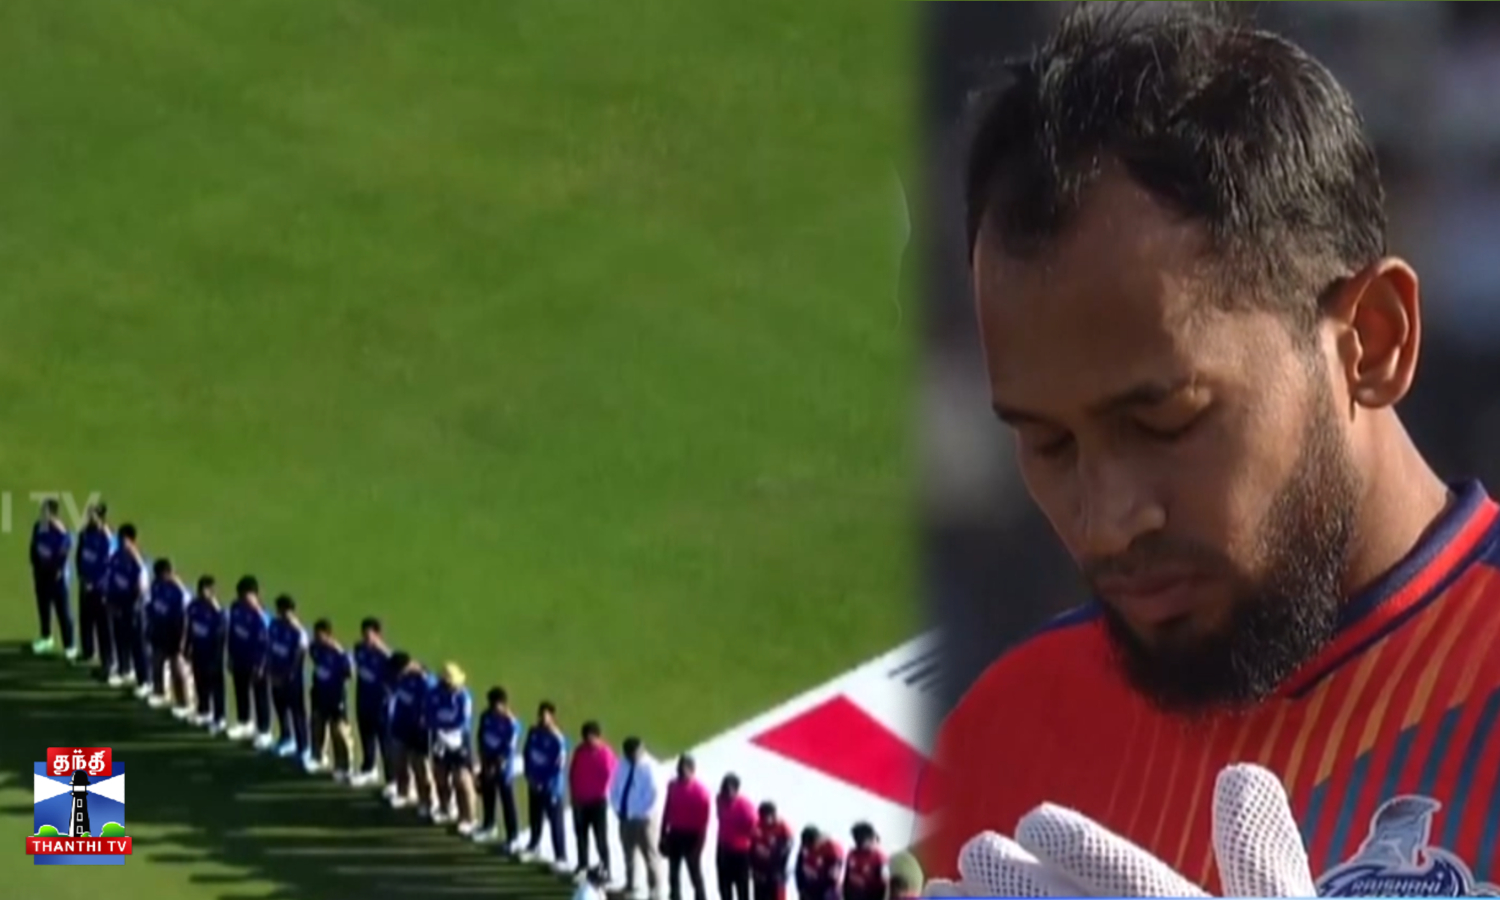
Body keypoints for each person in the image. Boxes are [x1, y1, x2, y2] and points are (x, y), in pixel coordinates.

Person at [927, 3, 1500, 895]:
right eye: (1049, 444)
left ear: (1372, 341)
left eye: (1167, 422)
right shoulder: (998, 742)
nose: (1109, 522)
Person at [426, 661, 477, 835]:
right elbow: (429, 715)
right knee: (439, 774)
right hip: (439, 739)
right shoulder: (434, 694)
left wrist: (445, 729)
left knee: (461, 779)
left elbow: (462, 721)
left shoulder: (464, 697)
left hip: (459, 741)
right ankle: (445, 807)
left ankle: (469, 817)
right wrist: (440, 730)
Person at [611, 735, 662, 900]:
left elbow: (654, 796)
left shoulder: (650, 767)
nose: (631, 758)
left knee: (650, 856)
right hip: (625, 817)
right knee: (629, 854)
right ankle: (631, 885)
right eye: (628, 755)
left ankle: (654, 891)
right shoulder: (622, 764)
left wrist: (639, 813)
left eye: (633, 754)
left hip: (644, 820)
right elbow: (615, 787)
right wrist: (617, 808)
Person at [226, 575, 273, 748]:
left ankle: (264, 731)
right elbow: (232, 632)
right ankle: (244, 722)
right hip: (239, 657)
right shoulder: (235, 607)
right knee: (240, 691)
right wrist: (230, 655)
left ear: (254, 595)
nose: (242, 599)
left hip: (257, 662)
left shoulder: (262, 615)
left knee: (260, 695)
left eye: (245, 596)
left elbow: (266, 643)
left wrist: (260, 666)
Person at [521, 700, 569, 871]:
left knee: (555, 821)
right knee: (535, 816)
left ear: (553, 717)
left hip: (551, 788)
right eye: (540, 715)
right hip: (534, 783)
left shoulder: (558, 739)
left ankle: (561, 856)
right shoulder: (533, 732)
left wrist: (544, 783)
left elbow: (558, 766)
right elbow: (527, 753)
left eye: (546, 716)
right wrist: (529, 775)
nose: (542, 718)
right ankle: (534, 845)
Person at [266, 594, 312, 768]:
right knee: (280, 708)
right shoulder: (274, 624)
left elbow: (298, 658)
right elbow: (270, 648)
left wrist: (286, 676)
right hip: (275, 674)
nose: (284, 614)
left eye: (286, 611)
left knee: (297, 713)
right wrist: (271, 672)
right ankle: (286, 738)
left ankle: (304, 747)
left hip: (292, 680)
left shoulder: (299, 632)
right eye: (281, 611)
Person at [387, 652, 436, 814]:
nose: (398, 675)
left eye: (400, 671)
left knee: (420, 767)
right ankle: (404, 792)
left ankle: (427, 801)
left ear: (408, 666)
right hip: (400, 725)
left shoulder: (426, 681)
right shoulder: (401, 676)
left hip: (418, 730)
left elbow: (429, 707)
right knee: (399, 761)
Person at [475, 686, 523, 849]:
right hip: (487, 760)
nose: (492, 708)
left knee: (507, 800)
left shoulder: (511, 723)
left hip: (503, 768)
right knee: (488, 795)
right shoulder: (486, 715)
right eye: (490, 704)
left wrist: (495, 765)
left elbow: (509, 748)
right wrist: (483, 759)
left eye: (495, 705)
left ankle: (513, 836)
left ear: (503, 704)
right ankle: (489, 826)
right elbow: (481, 736)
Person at [308, 618, 355, 781]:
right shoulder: (315, 648)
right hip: (319, 693)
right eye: (315, 634)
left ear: (328, 635)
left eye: (319, 635)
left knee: (339, 732)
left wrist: (340, 652)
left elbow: (349, 674)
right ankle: (318, 757)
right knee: (317, 726)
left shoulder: (339, 654)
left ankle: (344, 765)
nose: (316, 638)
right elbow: (314, 658)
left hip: (335, 697)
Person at [104, 523, 149, 691]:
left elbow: (142, 588)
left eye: (125, 540)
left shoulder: (138, 562)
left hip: (134, 608)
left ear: (132, 541)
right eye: (120, 539)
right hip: (118, 604)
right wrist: (110, 600)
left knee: (138, 644)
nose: (122, 543)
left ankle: (144, 681)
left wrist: (134, 603)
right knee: (120, 639)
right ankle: (125, 670)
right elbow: (111, 578)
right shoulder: (116, 557)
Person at [146, 557, 193, 716]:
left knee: (177, 669)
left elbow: (185, 618)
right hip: (159, 630)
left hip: (174, 634)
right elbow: (152, 606)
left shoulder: (179, 592)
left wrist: (182, 640)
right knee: (156, 662)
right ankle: (159, 693)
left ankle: (184, 702)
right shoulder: (156, 585)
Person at [569, 720, 616, 879]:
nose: (587, 742)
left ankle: (606, 867)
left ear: (598, 736)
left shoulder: (606, 754)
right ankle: (583, 864)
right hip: (580, 801)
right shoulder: (580, 751)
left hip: (597, 802)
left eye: (590, 738)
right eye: (585, 738)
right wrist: (574, 795)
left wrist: (603, 792)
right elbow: (573, 773)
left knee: (600, 837)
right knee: (581, 835)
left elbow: (612, 776)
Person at [29, 498, 75, 659]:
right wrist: (36, 568)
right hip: (41, 575)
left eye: (45, 511)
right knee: (43, 608)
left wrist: (53, 571)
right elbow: (33, 548)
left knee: (63, 612)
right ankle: (46, 637)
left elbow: (62, 556)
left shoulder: (62, 533)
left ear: (53, 514)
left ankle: (70, 646)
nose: (42, 514)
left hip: (57, 579)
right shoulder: (39, 527)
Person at [350, 617, 393, 790]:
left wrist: (382, 648)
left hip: (381, 705)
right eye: (364, 634)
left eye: (370, 635)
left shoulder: (386, 656)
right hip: (362, 700)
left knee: (385, 743)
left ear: (378, 635)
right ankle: (369, 769)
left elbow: (395, 669)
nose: (366, 638)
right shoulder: (358, 649)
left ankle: (392, 780)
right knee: (366, 736)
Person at [660, 754, 710, 900]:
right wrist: (663, 834)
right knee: (673, 872)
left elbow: (703, 825)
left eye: (684, 770)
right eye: (679, 770)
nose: (680, 774)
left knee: (694, 873)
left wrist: (698, 848)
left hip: (692, 837)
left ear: (692, 770)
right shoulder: (672, 785)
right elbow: (667, 808)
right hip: (675, 834)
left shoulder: (701, 793)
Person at [75, 501, 116, 671]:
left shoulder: (107, 538)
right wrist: (81, 577)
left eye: (93, 515)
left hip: (101, 588)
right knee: (85, 619)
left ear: (101, 517)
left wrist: (94, 583)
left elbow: (107, 566)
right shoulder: (85, 533)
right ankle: (88, 651)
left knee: (103, 626)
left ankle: (108, 661)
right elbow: (79, 555)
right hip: (85, 583)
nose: (90, 518)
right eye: (89, 514)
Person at [185, 575, 227, 734]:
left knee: (216, 687)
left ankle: (220, 718)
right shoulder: (194, 606)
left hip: (213, 655)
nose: (204, 593)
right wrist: (187, 646)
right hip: (197, 650)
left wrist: (216, 657)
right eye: (202, 589)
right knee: (199, 681)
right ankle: (204, 711)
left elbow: (220, 636)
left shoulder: (217, 611)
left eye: (208, 589)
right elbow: (190, 627)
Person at [714, 774, 755, 900]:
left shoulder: (745, 807)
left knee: (742, 887)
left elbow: (753, 830)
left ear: (736, 790)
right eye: (724, 789)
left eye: (729, 790)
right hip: (723, 849)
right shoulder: (719, 800)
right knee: (724, 887)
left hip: (740, 852)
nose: (726, 793)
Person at [748, 801, 792, 900]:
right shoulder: (757, 825)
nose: (764, 820)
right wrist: (753, 868)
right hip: (760, 872)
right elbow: (751, 849)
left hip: (776, 874)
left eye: (766, 817)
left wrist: (776, 871)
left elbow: (785, 854)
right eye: (762, 817)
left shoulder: (783, 828)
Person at [793, 827, 843, 900]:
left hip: (827, 888)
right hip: (810, 886)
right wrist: (801, 889)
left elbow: (832, 877)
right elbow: (798, 870)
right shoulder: (804, 848)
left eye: (811, 845)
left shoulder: (831, 848)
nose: (810, 848)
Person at [838, 824, 885, 900]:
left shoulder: (879, 857)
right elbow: (846, 877)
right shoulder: (851, 854)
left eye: (860, 839)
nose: (857, 842)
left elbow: (883, 884)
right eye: (855, 839)